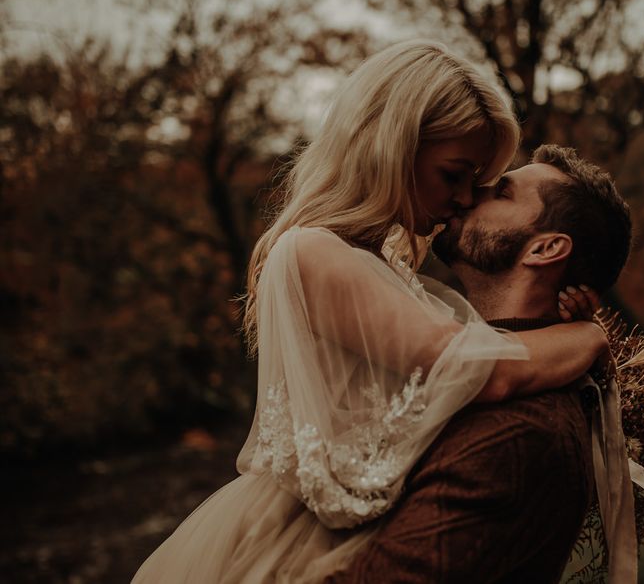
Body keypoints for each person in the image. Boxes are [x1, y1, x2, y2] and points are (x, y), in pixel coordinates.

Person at [132, 41, 607, 583]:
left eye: (475, 183)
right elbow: (474, 370)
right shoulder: (312, 251)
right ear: (393, 145)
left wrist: (549, 321)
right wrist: (587, 339)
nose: (463, 199)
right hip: (296, 538)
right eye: (454, 174)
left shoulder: (381, 258)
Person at [326, 144, 633, 584]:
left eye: (501, 193)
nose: (469, 196)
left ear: (545, 248)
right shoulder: (442, 349)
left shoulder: (519, 432)